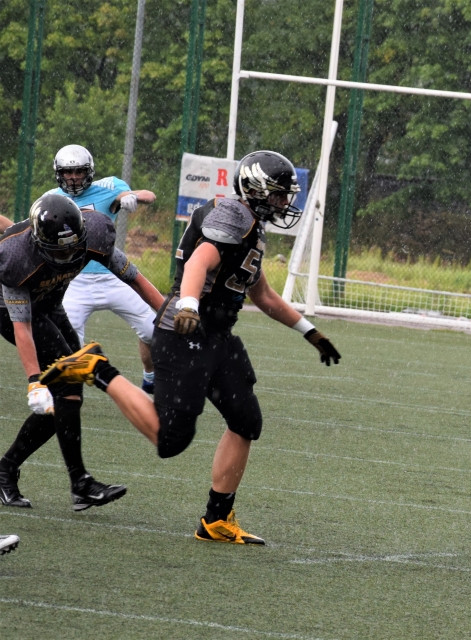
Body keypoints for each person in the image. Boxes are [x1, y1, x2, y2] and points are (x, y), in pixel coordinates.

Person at [42, 150, 342, 545]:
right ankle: (98, 368)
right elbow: (200, 260)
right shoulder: (234, 214)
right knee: (170, 440)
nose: (286, 203)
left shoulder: (249, 222)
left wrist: (310, 332)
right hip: (187, 331)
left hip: (218, 336)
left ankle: (216, 519)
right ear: (256, 190)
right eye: (279, 195)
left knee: (245, 420)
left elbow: (264, 295)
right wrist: (187, 305)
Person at [0, 193, 164, 510]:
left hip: (49, 302)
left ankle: (21, 471)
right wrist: (34, 381)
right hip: (9, 311)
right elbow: (22, 325)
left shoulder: (96, 232)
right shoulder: (15, 257)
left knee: (68, 392)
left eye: (72, 247)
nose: (66, 255)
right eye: (57, 249)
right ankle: (77, 482)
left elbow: (135, 279)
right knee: (64, 388)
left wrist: (170, 315)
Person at [48, 144, 158, 392]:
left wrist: (131, 196)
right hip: (73, 281)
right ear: (59, 173)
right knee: (69, 344)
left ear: (89, 171)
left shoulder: (108, 187)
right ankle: (66, 396)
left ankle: (150, 376)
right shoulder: (51, 199)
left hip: (113, 277)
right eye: (68, 172)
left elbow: (149, 196)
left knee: (153, 332)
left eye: (79, 171)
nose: (74, 177)